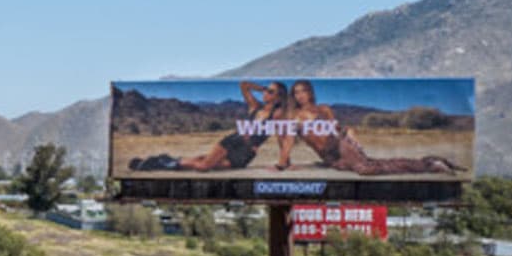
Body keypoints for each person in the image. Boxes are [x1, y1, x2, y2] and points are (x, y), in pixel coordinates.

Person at [273, 80, 459, 175]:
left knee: (365, 169)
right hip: (330, 158)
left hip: (341, 147)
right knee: (374, 163)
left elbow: (337, 129)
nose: (300, 95)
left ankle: (430, 166)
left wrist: (349, 132)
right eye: (296, 92)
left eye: (303, 91)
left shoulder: (323, 109)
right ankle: (428, 161)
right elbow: (288, 141)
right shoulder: (294, 117)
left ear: (310, 92)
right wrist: (283, 164)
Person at [130, 81, 287, 172]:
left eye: (271, 91)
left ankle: (166, 160)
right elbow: (244, 85)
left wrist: (283, 162)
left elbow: (284, 137)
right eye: (266, 90)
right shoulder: (255, 107)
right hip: (233, 142)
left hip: (247, 153)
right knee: (204, 166)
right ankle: (158, 163)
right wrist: (262, 88)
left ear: (279, 96)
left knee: (204, 160)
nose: (266, 93)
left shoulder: (277, 115)